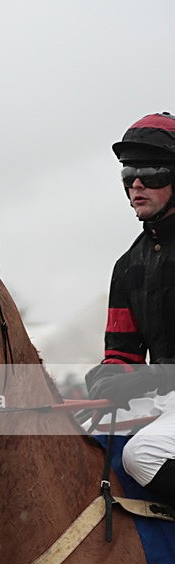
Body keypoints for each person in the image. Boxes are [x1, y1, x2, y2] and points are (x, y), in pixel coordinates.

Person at [86, 112, 175, 505]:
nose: (137, 184)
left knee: (143, 455)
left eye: (152, 172)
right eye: (129, 174)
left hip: (163, 392)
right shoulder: (126, 266)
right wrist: (109, 378)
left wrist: (145, 379)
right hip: (164, 397)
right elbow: (121, 352)